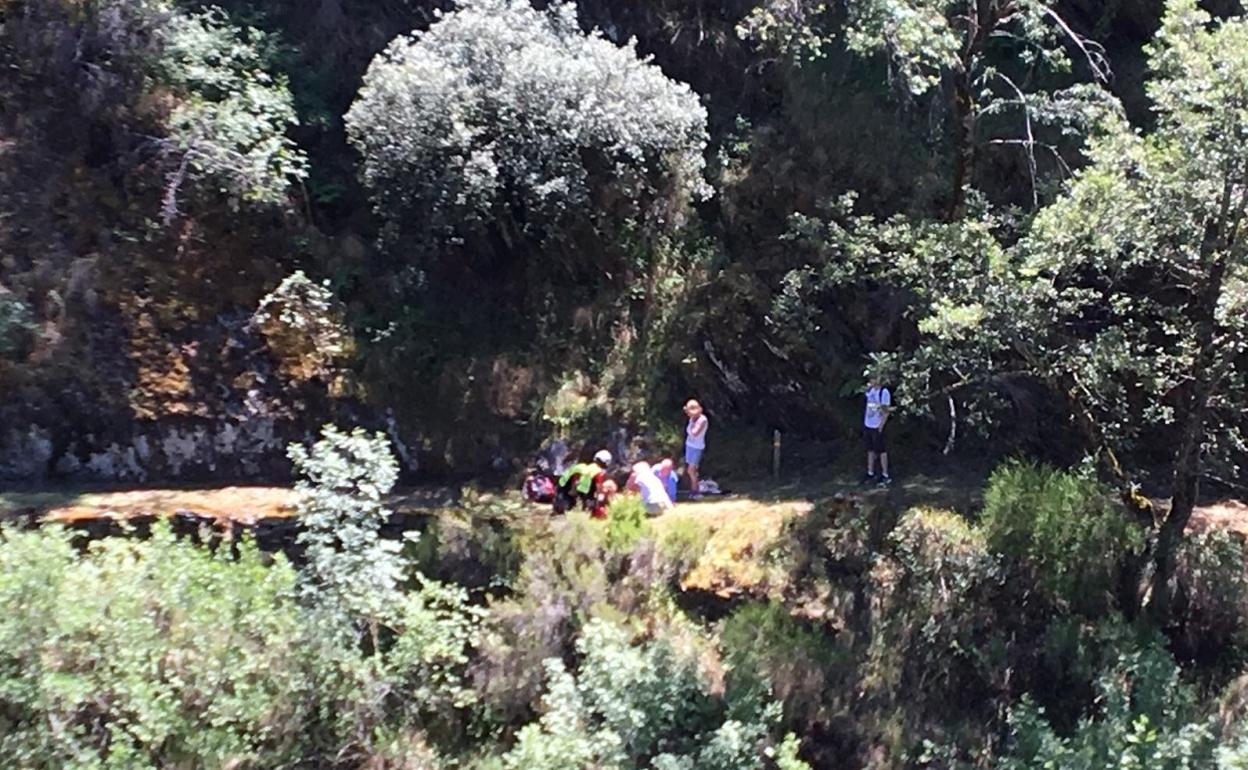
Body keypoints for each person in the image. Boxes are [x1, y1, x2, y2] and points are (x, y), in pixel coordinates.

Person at [555, 449, 612, 513]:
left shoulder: (584, 467)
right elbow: (599, 492)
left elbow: (575, 484)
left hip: (563, 492)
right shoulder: (598, 472)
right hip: (584, 498)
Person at [862, 375, 892, 487]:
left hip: (877, 426)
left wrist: (881, 425)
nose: (871, 381)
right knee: (870, 449)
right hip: (868, 424)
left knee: (881, 451)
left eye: (873, 379)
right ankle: (870, 472)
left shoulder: (884, 392)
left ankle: (885, 475)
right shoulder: (870, 391)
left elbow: (886, 410)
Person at [683, 399, 708, 499]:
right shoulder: (692, 418)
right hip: (689, 445)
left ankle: (695, 491)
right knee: (691, 470)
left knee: (691, 470)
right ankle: (694, 489)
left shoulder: (702, 420)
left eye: (694, 408)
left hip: (697, 447)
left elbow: (695, 432)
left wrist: (692, 416)